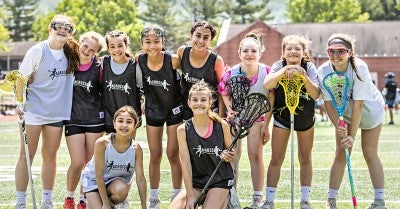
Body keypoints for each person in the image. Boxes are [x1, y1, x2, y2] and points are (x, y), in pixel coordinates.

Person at [14, 14, 80, 209]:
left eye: (67, 28)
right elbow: (20, 78)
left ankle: (46, 200)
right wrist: (20, 103)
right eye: (58, 26)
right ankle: (20, 201)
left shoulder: (71, 53)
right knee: (26, 155)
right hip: (33, 111)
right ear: (50, 28)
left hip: (57, 111)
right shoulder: (37, 50)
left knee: (50, 156)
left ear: (70, 33)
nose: (62, 30)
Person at [317, 34, 387, 209]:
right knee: (341, 153)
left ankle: (379, 201)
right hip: (344, 114)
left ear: (350, 53)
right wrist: (339, 126)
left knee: (369, 153)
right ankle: (331, 201)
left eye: (341, 51)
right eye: (331, 51)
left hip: (370, 110)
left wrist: (352, 136)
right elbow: (328, 103)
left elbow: (359, 104)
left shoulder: (359, 67)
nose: (335, 55)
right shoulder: (324, 71)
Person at [262, 35, 320, 209]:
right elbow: (267, 84)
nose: (293, 51)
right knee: (276, 158)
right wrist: (284, 70)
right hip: (282, 116)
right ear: (283, 52)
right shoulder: (278, 65)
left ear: (304, 53)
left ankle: (305, 200)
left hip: (305, 117)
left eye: (297, 49)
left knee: (305, 158)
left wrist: (302, 76)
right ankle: (269, 200)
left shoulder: (309, 67)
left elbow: (315, 94)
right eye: (289, 49)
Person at [218, 30, 272, 208]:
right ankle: (232, 195)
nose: (249, 54)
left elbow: (272, 97)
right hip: (236, 119)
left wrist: (266, 125)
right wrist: (229, 109)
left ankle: (257, 197)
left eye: (253, 51)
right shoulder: (232, 72)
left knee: (255, 155)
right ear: (239, 53)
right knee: (233, 157)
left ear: (259, 53)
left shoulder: (267, 72)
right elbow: (223, 91)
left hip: (257, 118)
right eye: (246, 51)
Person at [136, 25, 183, 208]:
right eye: (148, 42)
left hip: (173, 109)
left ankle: (177, 193)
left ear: (163, 42)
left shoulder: (172, 60)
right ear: (142, 44)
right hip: (153, 110)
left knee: (173, 154)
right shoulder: (139, 59)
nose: (152, 45)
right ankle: (154, 196)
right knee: (155, 154)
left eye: (156, 41)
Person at [168, 81, 235, 209]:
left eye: (203, 100)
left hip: (220, 180)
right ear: (189, 103)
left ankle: (227, 199)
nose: (199, 103)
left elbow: (231, 153)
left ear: (210, 102)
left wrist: (228, 155)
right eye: (195, 100)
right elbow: (186, 163)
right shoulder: (182, 130)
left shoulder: (222, 125)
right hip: (197, 182)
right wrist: (190, 195)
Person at [62, 31, 106, 209]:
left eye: (92, 49)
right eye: (85, 46)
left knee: (89, 164)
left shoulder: (100, 68)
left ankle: (83, 200)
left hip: (95, 119)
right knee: (78, 162)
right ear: (80, 43)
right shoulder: (68, 62)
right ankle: (69, 197)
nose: (87, 51)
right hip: (73, 118)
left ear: (97, 53)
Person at [81, 105, 147, 209]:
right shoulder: (102, 143)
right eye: (120, 121)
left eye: (129, 122)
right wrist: (105, 204)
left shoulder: (136, 149)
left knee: (120, 188)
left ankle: (113, 204)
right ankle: (99, 201)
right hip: (94, 182)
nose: (124, 125)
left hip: (116, 186)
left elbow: (140, 179)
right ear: (114, 123)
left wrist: (144, 206)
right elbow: (98, 175)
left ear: (135, 126)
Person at [177, 21, 226, 120]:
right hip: (187, 109)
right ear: (191, 36)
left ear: (210, 41)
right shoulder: (182, 52)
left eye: (206, 37)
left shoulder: (216, 60)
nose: (201, 41)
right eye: (198, 35)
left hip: (209, 111)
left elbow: (222, 90)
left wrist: (220, 117)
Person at [102, 30, 142, 133]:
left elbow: (142, 89)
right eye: (112, 46)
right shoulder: (103, 63)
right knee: (110, 147)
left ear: (126, 45)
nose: (116, 50)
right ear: (108, 48)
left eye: (120, 45)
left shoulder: (135, 65)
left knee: (128, 147)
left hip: (129, 118)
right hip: (109, 116)